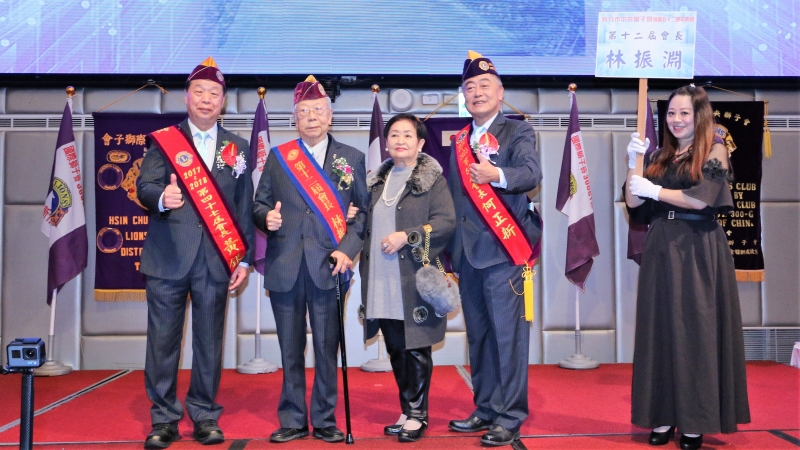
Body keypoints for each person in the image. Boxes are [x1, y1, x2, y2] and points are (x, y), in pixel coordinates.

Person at [624, 85, 750, 450]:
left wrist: (654, 190)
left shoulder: (715, 150)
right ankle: (662, 415)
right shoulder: (659, 155)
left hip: (697, 247)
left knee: (696, 332)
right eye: (671, 113)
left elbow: (702, 199)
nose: (676, 120)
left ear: (700, 117)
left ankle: (695, 420)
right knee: (659, 331)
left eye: (684, 113)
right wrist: (632, 163)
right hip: (661, 246)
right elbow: (634, 203)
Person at [137, 56, 254, 449]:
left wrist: (244, 257)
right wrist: (162, 198)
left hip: (216, 259)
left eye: (214, 93)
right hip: (168, 256)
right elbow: (144, 186)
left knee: (209, 342)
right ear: (187, 97)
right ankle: (163, 419)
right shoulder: (164, 140)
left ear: (223, 101)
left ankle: (204, 415)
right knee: (162, 343)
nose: (206, 99)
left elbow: (242, 204)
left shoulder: (237, 147)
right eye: (199, 92)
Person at [252, 75, 368, 444]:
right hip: (285, 265)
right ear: (294, 119)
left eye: (318, 110)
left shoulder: (352, 158)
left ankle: (325, 418)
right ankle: (293, 419)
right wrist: (266, 218)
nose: (312, 117)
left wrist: (347, 249)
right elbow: (259, 203)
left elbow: (363, 214)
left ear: (330, 116)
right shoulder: (279, 157)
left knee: (326, 347)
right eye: (304, 112)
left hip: (328, 266)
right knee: (290, 349)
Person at [446, 50, 542, 446]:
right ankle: (485, 408)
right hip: (467, 257)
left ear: (500, 92)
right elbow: (453, 200)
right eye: (470, 87)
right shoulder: (458, 140)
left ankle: (510, 415)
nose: (477, 92)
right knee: (480, 338)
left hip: (504, 253)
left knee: (508, 338)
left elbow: (531, 174)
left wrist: (496, 174)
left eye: (485, 85)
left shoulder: (518, 131)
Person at [357, 113, 455, 443]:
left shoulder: (433, 181)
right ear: (386, 143)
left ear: (421, 143)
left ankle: (418, 414)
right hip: (380, 276)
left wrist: (408, 236)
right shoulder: (374, 183)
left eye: (408, 135)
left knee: (416, 347)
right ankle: (407, 409)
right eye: (395, 135)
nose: (400, 140)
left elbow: (445, 223)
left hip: (412, 278)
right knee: (396, 348)